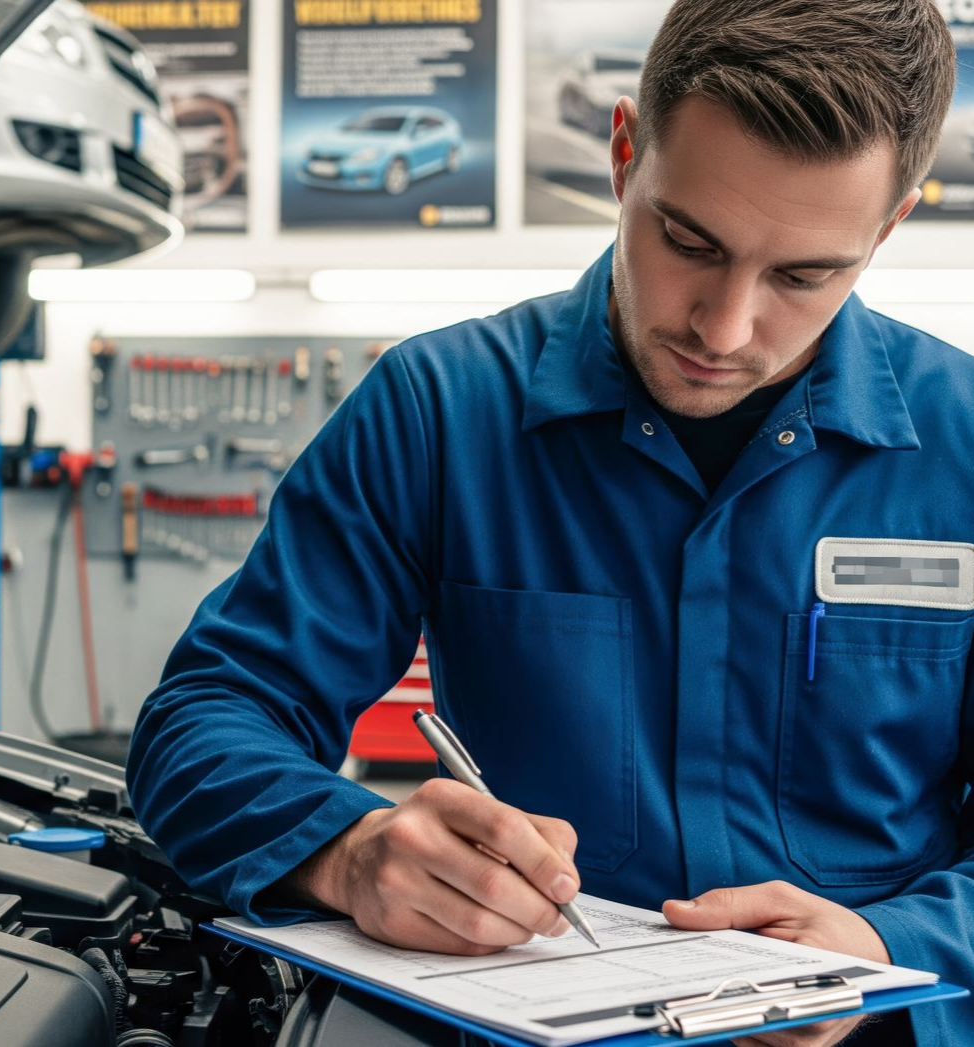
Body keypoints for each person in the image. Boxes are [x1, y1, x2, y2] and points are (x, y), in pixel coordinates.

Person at [127, 1, 970, 1043]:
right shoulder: (438, 411)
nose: (726, 325)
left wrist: (889, 947)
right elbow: (206, 717)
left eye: (805, 275)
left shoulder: (966, 446)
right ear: (624, 156)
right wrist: (344, 851)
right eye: (688, 239)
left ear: (888, 229)